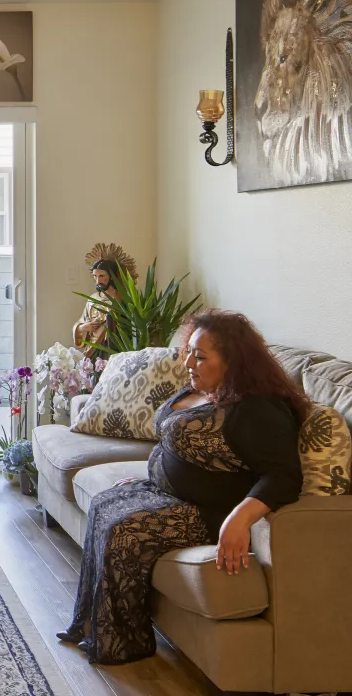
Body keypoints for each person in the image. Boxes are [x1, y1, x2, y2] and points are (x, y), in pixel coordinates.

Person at [58, 309, 305, 665]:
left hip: (207, 511)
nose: (188, 361)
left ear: (234, 362)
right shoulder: (204, 390)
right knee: (104, 504)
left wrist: (239, 518)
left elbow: (284, 476)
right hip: (169, 493)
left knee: (124, 529)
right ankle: (91, 623)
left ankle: (122, 641)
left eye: (201, 356)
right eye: (190, 350)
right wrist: (151, 477)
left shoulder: (256, 409)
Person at [73, 243, 137, 353]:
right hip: (92, 351)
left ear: (111, 276)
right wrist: (83, 327)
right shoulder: (92, 299)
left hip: (114, 350)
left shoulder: (122, 299)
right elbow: (81, 322)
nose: (98, 281)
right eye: (95, 276)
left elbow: (131, 329)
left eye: (102, 276)